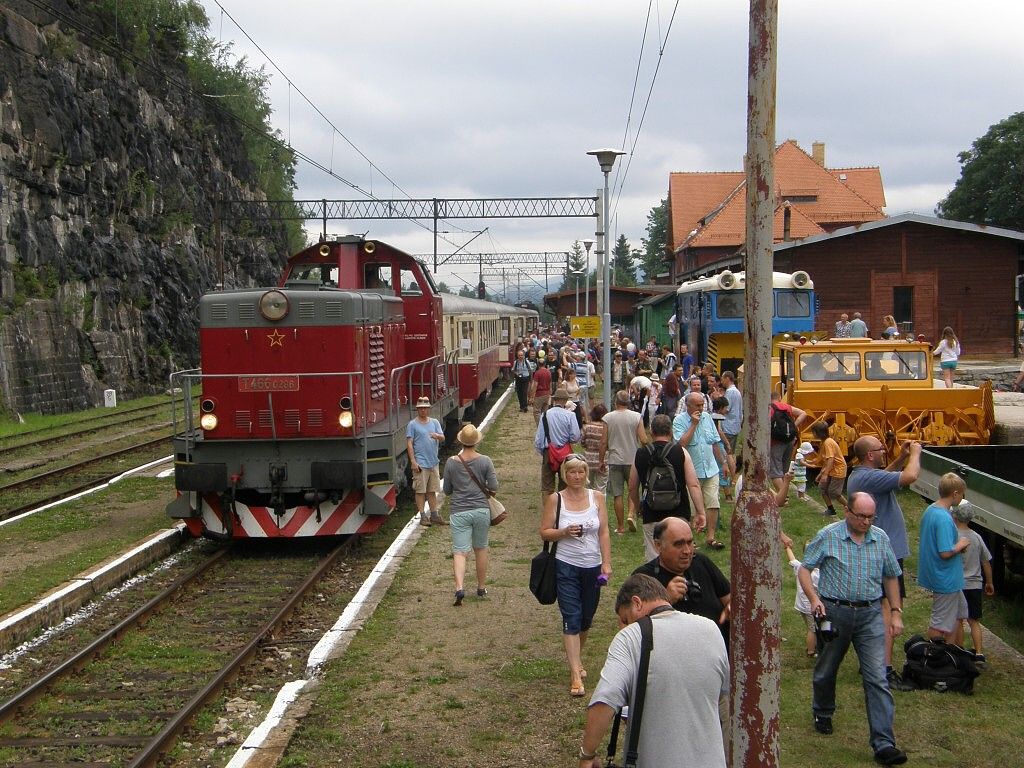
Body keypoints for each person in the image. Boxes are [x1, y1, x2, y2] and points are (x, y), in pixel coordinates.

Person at [798, 492, 908, 767]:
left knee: (877, 677)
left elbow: (891, 575)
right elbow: (804, 568)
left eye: (871, 517)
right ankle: (823, 712)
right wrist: (814, 599)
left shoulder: (880, 538)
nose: (866, 522)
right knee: (827, 669)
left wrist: (895, 612)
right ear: (848, 511)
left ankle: (884, 743)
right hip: (835, 611)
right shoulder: (828, 535)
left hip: (870, 614)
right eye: (861, 516)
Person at [577, 574, 728, 768]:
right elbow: (723, 695)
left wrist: (587, 755)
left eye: (625, 618)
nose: (625, 626)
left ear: (637, 602)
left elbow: (604, 701)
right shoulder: (711, 629)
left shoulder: (630, 637)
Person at [846, 436, 921, 691]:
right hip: (885, 557)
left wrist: (899, 458)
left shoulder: (864, 477)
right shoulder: (866, 478)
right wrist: (915, 455)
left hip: (879, 553)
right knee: (888, 610)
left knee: (879, 608)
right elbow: (910, 477)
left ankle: (871, 659)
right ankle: (885, 669)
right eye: (880, 448)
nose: (885, 450)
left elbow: (886, 477)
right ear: (870, 456)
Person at [539, 455, 612, 698]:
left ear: (586, 474)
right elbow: (545, 532)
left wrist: (607, 563)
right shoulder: (555, 500)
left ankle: (577, 659)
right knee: (571, 616)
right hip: (565, 564)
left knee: (586, 618)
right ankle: (574, 674)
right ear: (565, 475)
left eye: (581, 472)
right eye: (572, 473)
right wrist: (563, 532)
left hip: (592, 566)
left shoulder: (597, 498)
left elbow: (603, 533)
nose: (577, 477)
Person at [632, 516, 731, 647]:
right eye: (678, 544)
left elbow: (730, 599)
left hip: (718, 653)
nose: (687, 551)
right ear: (658, 545)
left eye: (690, 542)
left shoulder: (701, 562)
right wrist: (665, 600)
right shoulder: (644, 577)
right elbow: (630, 626)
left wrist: (731, 608)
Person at [629, 415, 707, 559]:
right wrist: (700, 512)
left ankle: (656, 582)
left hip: (651, 513)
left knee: (654, 558)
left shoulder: (641, 454)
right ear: (670, 432)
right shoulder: (681, 452)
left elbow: (632, 486)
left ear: (651, 432)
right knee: (680, 556)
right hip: (679, 512)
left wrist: (638, 505)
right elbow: (693, 484)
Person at [442, 424, 497, 606]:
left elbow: (447, 490)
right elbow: (494, 486)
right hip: (481, 510)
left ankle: (459, 588)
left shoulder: (451, 462)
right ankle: (481, 588)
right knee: (480, 548)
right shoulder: (485, 461)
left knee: (460, 551)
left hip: (459, 511)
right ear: (477, 441)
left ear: (460, 441)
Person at [917, 472, 970, 642]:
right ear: (955, 494)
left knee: (958, 615)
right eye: (962, 494)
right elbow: (945, 552)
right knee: (939, 623)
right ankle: (933, 658)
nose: (962, 498)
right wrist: (961, 544)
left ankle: (952, 653)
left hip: (944, 576)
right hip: (945, 578)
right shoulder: (944, 518)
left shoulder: (931, 510)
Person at [673, 392, 728, 549]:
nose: (701, 408)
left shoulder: (708, 418)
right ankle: (690, 540)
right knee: (690, 507)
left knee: (713, 503)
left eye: (702, 404)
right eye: (697, 405)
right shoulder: (679, 421)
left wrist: (723, 463)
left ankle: (711, 538)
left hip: (710, 469)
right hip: (691, 472)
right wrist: (693, 425)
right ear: (688, 406)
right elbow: (681, 444)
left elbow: (714, 443)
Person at [951, 501, 994, 663]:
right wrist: (989, 582)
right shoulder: (976, 537)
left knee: (958, 619)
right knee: (974, 621)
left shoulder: (953, 537)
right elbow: (986, 562)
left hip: (958, 585)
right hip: (975, 585)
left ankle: (959, 650)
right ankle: (979, 653)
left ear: (954, 515)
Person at [603, 390, 648, 534]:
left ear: (615, 402)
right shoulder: (636, 417)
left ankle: (621, 527)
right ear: (628, 402)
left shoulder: (607, 418)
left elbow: (603, 442)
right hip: (633, 460)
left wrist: (600, 460)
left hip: (615, 459)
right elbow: (643, 439)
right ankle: (631, 514)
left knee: (617, 494)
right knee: (633, 490)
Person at [534, 386, 581, 506]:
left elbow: (539, 438)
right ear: (565, 401)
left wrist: (543, 451)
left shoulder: (545, 415)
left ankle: (548, 511)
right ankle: (562, 509)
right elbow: (575, 437)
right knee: (564, 483)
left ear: (555, 400)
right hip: (565, 454)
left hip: (548, 452)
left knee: (547, 486)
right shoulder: (570, 415)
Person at [406, 397, 446, 526]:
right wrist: (413, 461)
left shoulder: (434, 422)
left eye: (425, 408)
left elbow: (442, 437)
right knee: (420, 490)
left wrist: (437, 436)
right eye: (420, 408)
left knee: (432, 489)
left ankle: (434, 514)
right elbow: (410, 443)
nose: (423, 410)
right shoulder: (412, 424)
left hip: (433, 462)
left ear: (428, 409)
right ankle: (423, 515)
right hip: (421, 463)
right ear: (417, 409)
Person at [784, 540, 820, 657]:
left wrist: (787, 548)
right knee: (812, 629)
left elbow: (792, 559)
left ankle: (814, 646)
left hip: (800, 605)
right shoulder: (817, 573)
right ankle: (811, 651)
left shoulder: (800, 566)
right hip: (811, 607)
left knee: (812, 627)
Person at [769, 392, 808, 499]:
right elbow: (803, 413)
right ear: (780, 398)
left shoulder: (770, 409)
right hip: (789, 440)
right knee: (784, 470)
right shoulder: (787, 407)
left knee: (775, 471)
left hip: (775, 442)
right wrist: (793, 426)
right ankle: (784, 493)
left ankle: (783, 498)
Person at [810, 421, 847, 516]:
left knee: (834, 493)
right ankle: (831, 510)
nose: (812, 434)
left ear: (818, 433)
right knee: (823, 488)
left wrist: (825, 474)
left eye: (813, 432)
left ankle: (851, 508)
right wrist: (821, 472)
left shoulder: (828, 442)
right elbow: (824, 460)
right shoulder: (824, 442)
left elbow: (831, 459)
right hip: (830, 470)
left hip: (838, 470)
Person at [720, 371, 743, 495]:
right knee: (731, 453)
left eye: (723, 379)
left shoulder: (730, 392)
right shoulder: (737, 392)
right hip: (735, 425)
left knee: (728, 453)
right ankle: (734, 476)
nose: (722, 381)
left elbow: (726, 409)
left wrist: (718, 401)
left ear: (728, 378)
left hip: (728, 426)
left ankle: (733, 477)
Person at [582, 403, 609, 493]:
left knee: (588, 485)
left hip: (588, 459)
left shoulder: (587, 427)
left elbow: (582, 442)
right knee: (601, 487)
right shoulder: (606, 428)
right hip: (603, 459)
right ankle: (600, 505)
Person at [529, 349, 552, 425]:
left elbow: (534, 385)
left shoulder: (537, 373)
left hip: (539, 394)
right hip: (547, 394)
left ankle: (540, 426)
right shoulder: (548, 372)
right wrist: (550, 394)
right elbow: (550, 384)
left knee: (536, 411)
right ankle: (545, 425)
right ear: (545, 364)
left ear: (538, 364)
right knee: (544, 412)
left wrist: (532, 397)